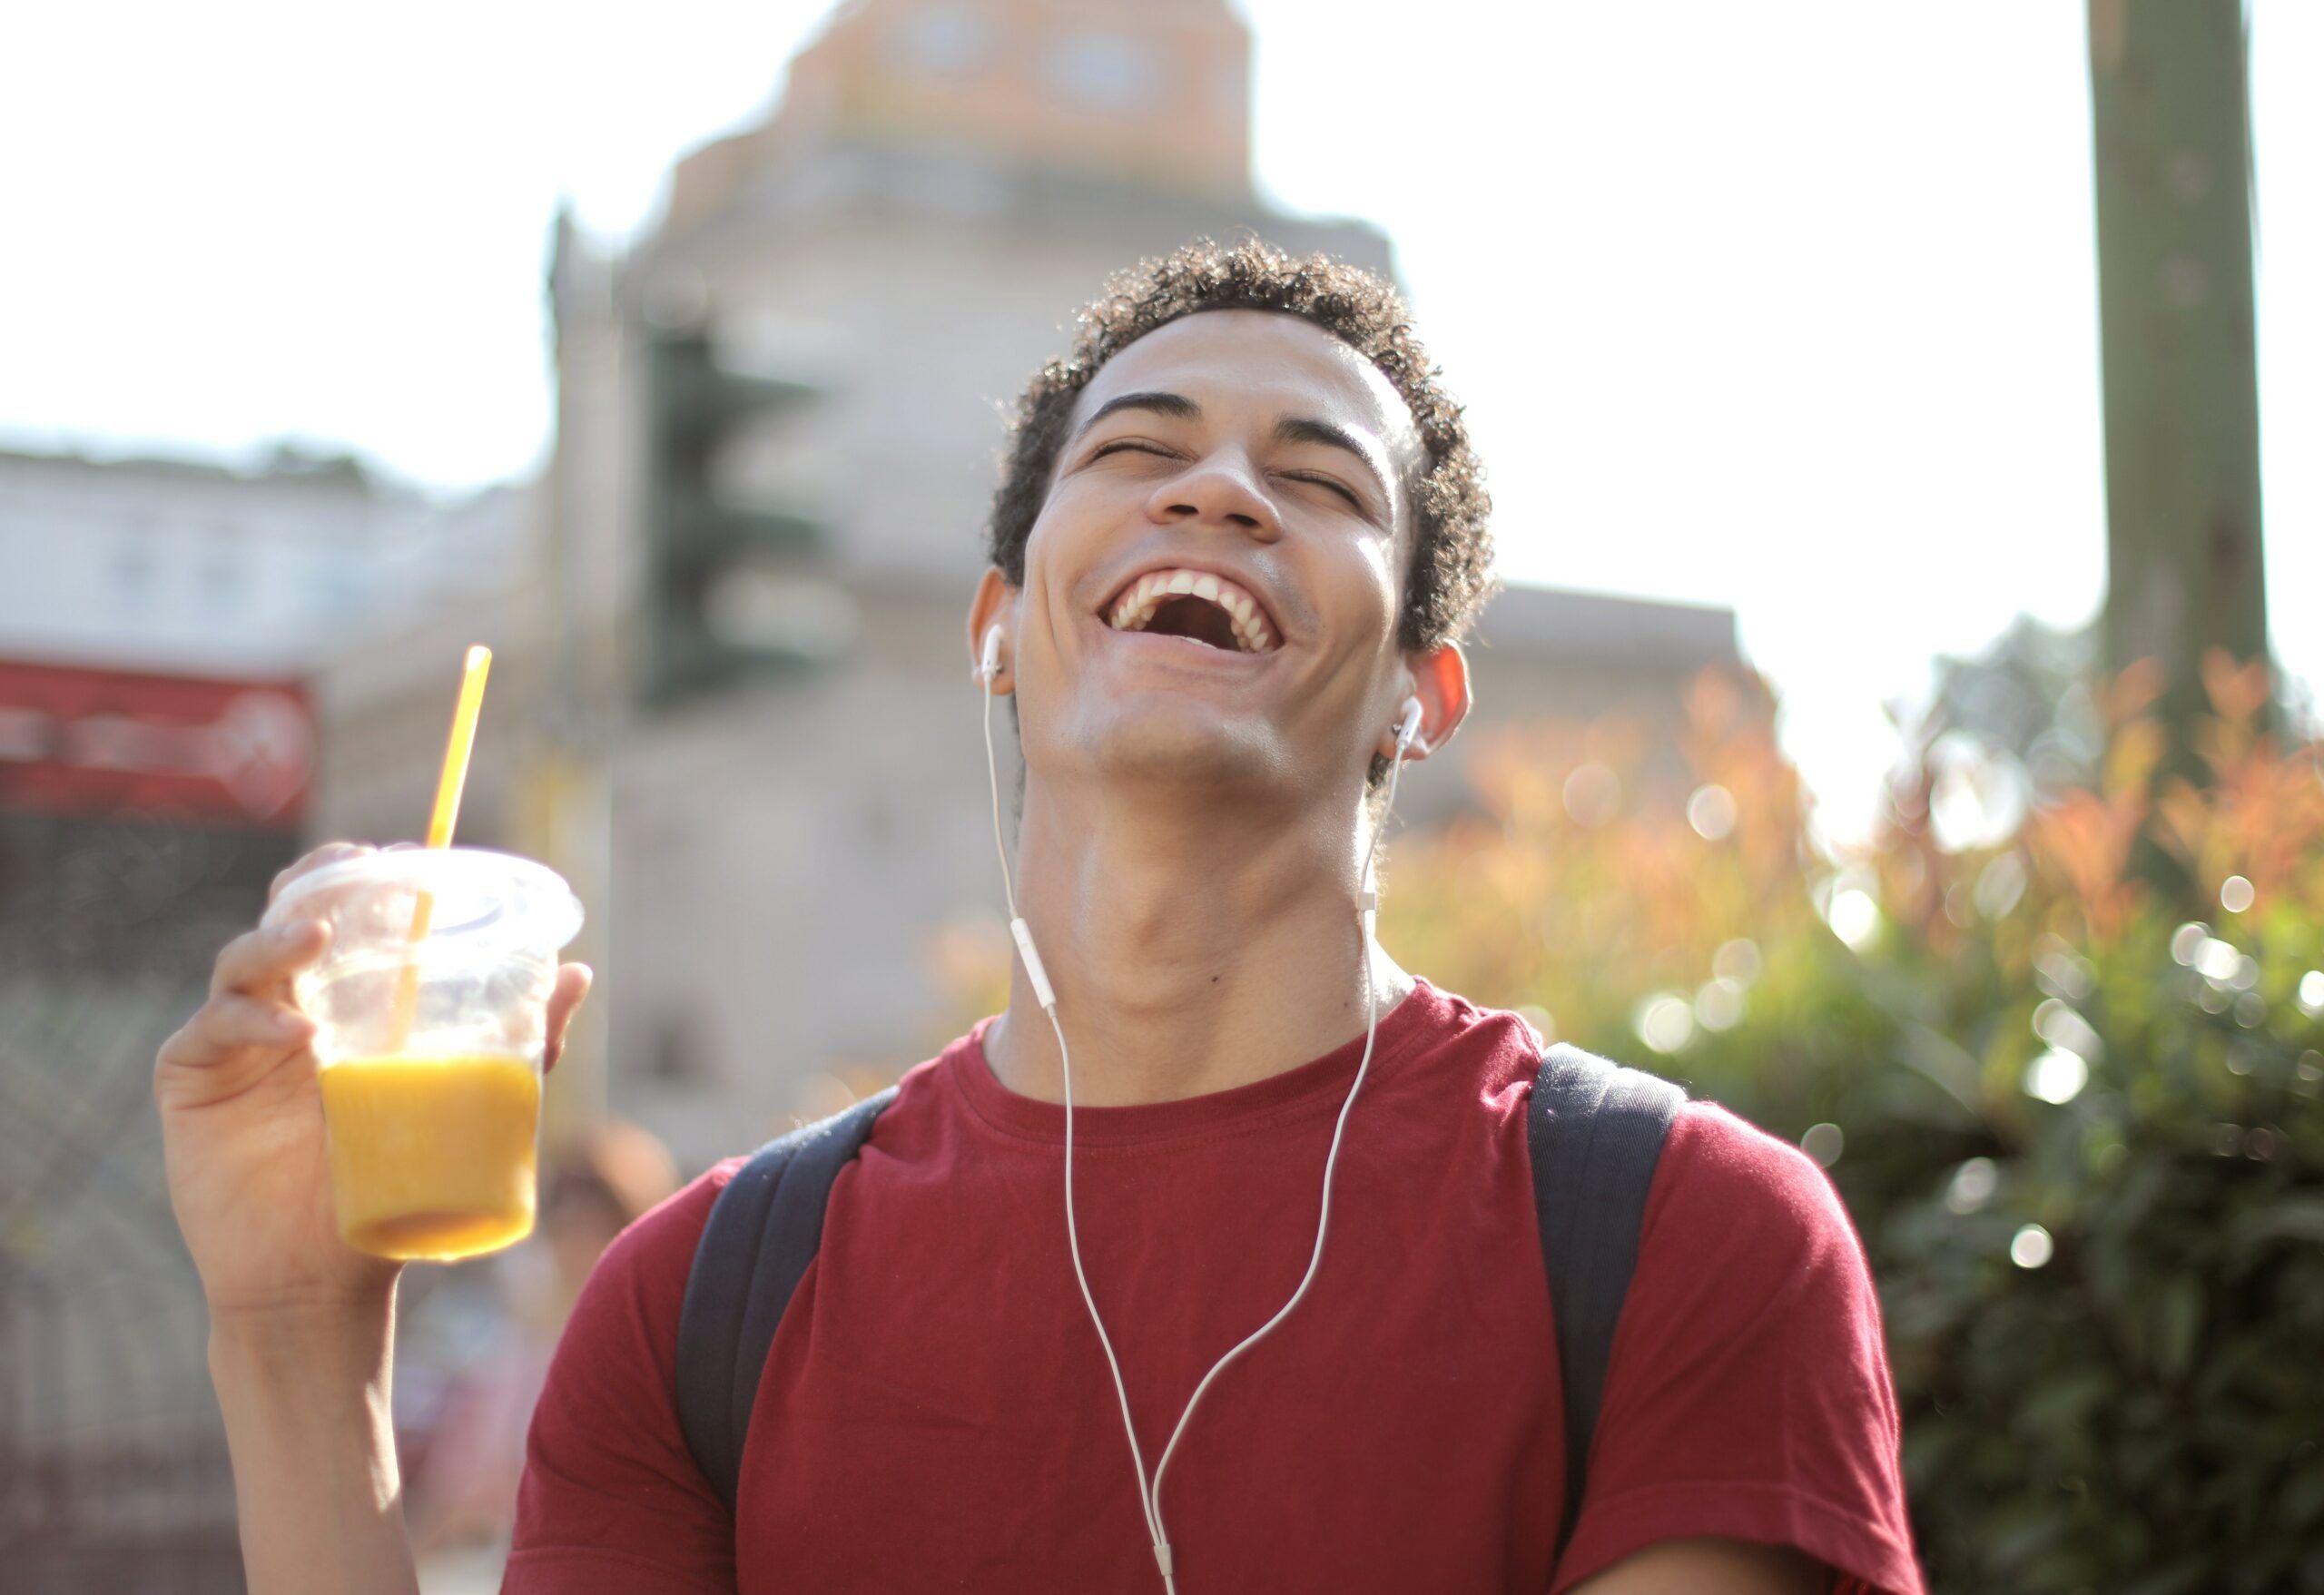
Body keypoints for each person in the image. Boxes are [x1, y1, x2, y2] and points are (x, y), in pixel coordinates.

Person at [158, 237, 1924, 1594]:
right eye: (1139, 445)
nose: (1215, 488)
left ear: (1418, 693)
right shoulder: (693, 1309)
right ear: (998, 623)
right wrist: (296, 1342)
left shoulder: (1688, 1242)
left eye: (1314, 482)